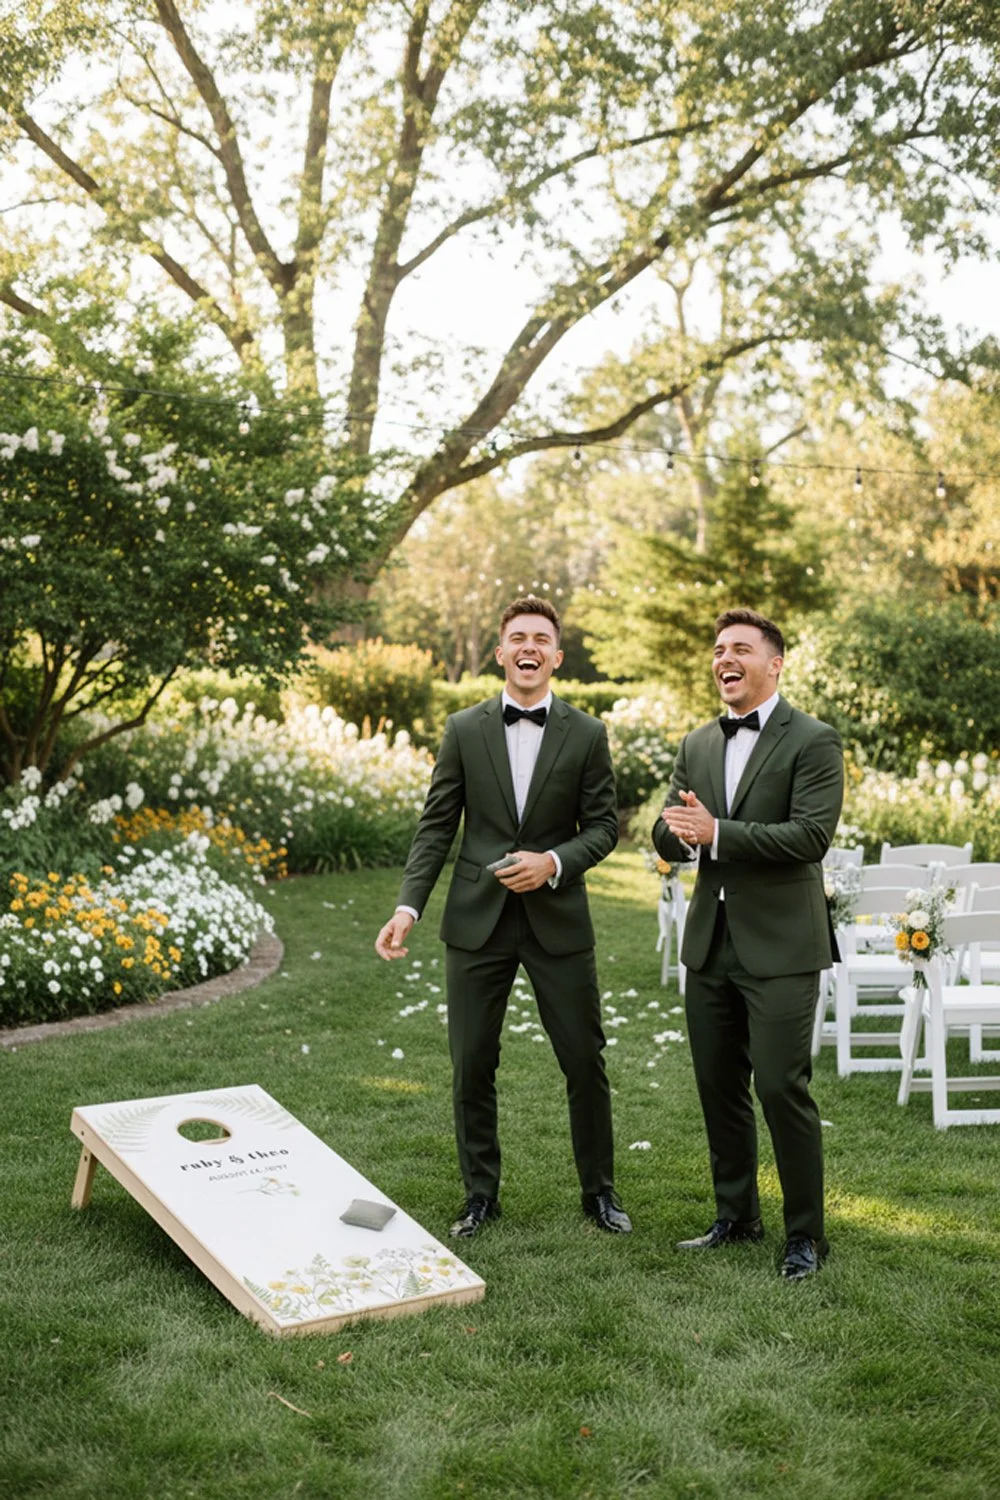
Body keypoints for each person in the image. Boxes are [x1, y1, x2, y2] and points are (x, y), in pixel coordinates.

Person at [375, 596, 631, 1239]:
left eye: (541, 638)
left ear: (556, 656)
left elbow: (604, 828)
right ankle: (479, 1196)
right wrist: (408, 906)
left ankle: (599, 1193)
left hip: (558, 919)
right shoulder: (464, 729)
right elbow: (437, 826)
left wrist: (553, 861)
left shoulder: (588, 733)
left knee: (583, 1058)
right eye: (518, 636)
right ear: (500, 652)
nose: (530, 647)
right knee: (471, 1062)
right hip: (476, 921)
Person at [653, 607, 843, 1280]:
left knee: (781, 1086)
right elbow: (671, 824)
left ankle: (805, 1237)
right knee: (717, 1085)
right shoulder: (699, 742)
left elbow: (809, 837)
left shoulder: (814, 740)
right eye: (718, 649)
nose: (723, 658)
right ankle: (735, 1216)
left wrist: (719, 834)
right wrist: (673, 834)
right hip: (711, 941)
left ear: (775, 662)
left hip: (783, 945)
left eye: (739, 648)